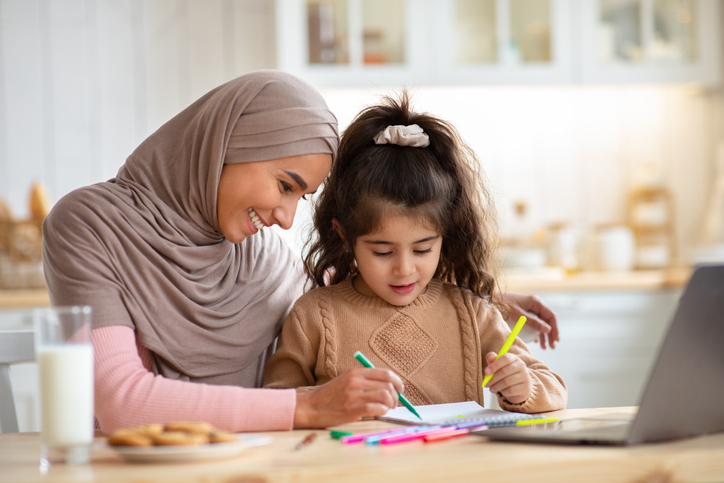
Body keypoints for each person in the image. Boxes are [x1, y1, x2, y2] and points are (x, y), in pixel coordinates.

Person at [42, 70, 559, 434]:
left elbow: (355, 301)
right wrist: (305, 406)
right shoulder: (88, 225)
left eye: (302, 197)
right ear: (227, 144)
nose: (286, 218)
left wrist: (472, 300)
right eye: (284, 185)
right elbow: (121, 403)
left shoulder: (259, 251)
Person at [263, 93, 567, 413]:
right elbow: (277, 403)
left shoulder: (473, 314)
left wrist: (523, 387)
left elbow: (553, 389)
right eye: (382, 252)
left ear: (445, 236)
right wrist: (321, 402)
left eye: (422, 249)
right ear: (344, 235)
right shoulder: (313, 315)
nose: (404, 269)